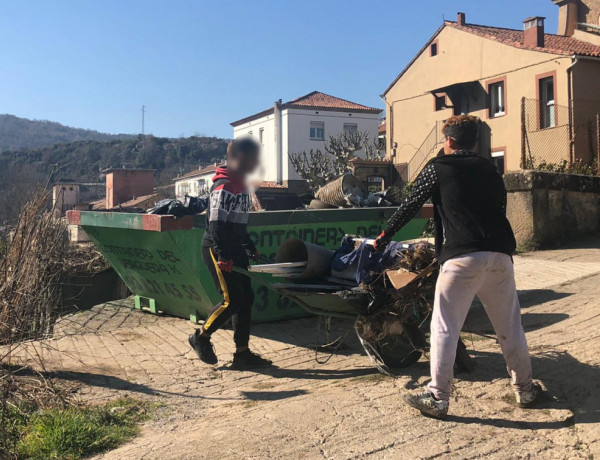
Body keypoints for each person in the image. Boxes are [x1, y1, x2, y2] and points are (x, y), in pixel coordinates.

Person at [374, 115, 541, 419]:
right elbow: (500, 208)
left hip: (462, 255)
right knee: (510, 326)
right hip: (500, 254)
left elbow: (411, 204)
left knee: (444, 327)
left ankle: (438, 397)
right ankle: (526, 389)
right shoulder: (492, 169)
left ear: (448, 141)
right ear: (475, 142)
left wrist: (385, 236)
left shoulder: (438, 168)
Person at [188, 137, 272, 370]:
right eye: (252, 159)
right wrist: (224, 254)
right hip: (217, 248)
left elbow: (238, 223)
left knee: (246, 300)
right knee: (231, 300)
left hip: (235, 248)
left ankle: (242, 354)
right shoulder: (224, 185)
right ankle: (200, 337)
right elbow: (216, 225)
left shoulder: (242, 186)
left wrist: (249, 246)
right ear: (238, 158)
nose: (255, 163)